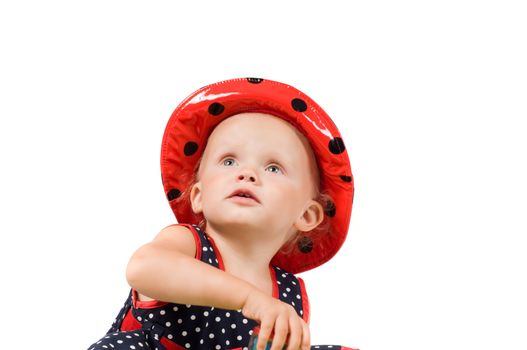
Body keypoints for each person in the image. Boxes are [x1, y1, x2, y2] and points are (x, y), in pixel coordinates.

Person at [87, 78, 357, 350]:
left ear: (307, 215)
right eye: (229, 161)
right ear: (198, 195)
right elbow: (143, 268)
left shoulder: (287, 295)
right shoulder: (187, 244)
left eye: (273, 168)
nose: (247, 173)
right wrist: (248, 299)